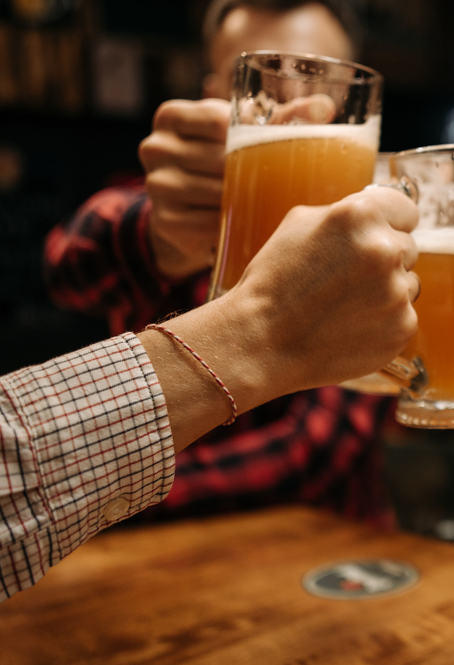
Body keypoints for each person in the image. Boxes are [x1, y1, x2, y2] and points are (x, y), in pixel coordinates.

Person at [42, 0, 391, 523]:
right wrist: (164, 238)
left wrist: (100, 498)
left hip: (334, 556)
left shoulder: (381, 237)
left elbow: (319, 449)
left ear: (355, 114)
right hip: (155, 567)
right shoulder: (172, 202)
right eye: (265, 88)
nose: (293, 110)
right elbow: (69, 262)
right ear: (214, 98)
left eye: (318, 89)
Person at [3, 185, 420, 602]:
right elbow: (66, 262)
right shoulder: (181, 198)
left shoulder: (363, 235)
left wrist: (114, 497)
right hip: (149, 577)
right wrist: (162, 229)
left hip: (333, 571)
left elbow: (316, 449)